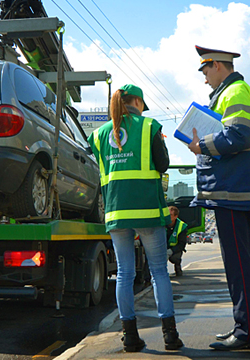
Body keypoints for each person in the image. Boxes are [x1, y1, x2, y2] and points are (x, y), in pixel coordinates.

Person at [87, 84, 183, 352]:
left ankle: (129, 337)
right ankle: (170, 336)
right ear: (138, 102)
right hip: (148, 210)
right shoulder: (150, 127)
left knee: (125, 274)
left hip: (117, 211)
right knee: (159, 272)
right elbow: (162, 165)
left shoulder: (99, 134)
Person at [188, 45, 250, 351]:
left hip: (234, 192)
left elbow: (238, 136)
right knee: (239, 265)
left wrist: (202, 146)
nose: (205, 78)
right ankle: (246, 326)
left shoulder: (234, 93)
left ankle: (247, 331)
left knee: (238, 266)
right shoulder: (238, 92)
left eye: (205, 71)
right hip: (238, 190)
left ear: (218, 66)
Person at [166, 206, 188, 277]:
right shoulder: (162, 224)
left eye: (170, 215)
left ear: (176, 216)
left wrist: (171, 251)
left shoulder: (182, 226)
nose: (168, 217)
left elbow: (182, 244)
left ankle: (178, 267)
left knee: (175, 258)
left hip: (175, 249)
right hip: (163, 247)